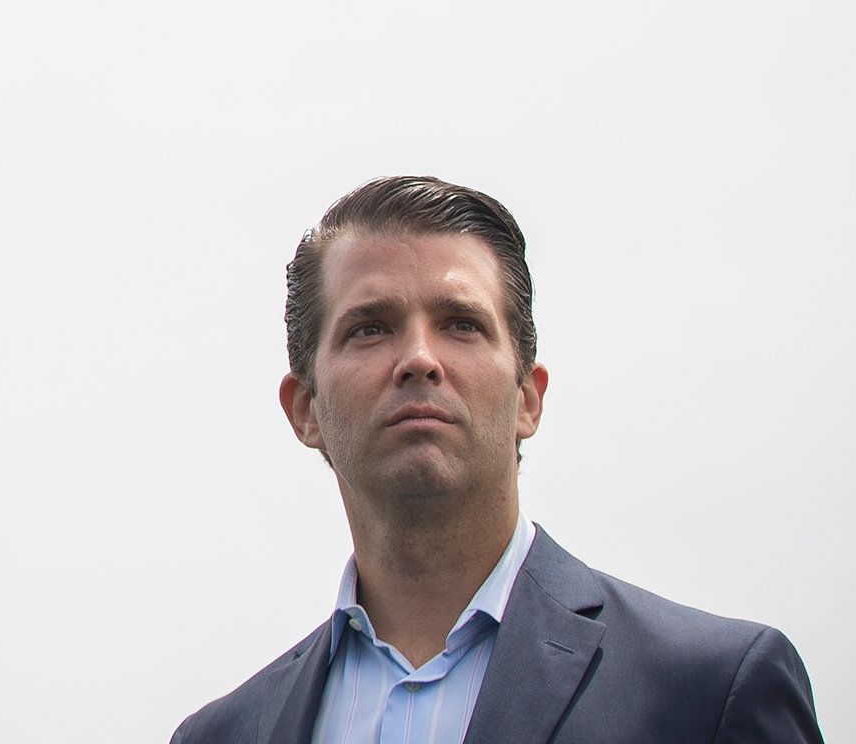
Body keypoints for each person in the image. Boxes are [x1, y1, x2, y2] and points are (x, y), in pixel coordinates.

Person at [173, 176, 822, 743]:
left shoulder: (711, 692)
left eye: (462, 323)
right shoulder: (221, 735)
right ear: (304, 409)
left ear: (527, 399)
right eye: (370, 327)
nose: (419, 359)